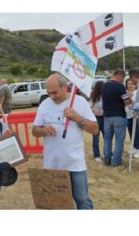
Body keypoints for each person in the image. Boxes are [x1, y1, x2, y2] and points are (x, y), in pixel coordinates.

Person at [32, 74, 99, 210]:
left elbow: (95, 130)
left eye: (55, 92)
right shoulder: (44, 105)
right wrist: (44, 130)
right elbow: (34, 130)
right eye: (48, 93)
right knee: (56, 204)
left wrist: (78, 118)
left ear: (65, 87)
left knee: (82, 201)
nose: (51, 96)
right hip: (52, 165)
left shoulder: (80, 102)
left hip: (75, 164)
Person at [101, 69, 131, 167]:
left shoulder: (104, 85)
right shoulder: (120, 86)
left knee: (107, 139)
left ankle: (107, 159)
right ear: (120, 76)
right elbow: (127, 101)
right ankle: (116, 162)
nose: (123, 80)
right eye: (123, 78)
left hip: (106, 116)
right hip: (119, 115)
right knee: (119, 140)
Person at [125, 79, 139, 158]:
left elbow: (138, 104)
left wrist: (131, 98)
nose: (130, 85)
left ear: (135, 85)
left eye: (131, 84)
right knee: (131, 132)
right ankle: (134, 147)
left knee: (137, 133)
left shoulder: (137, 93)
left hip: (136, 116)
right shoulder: (125, 93)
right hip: (127, 116)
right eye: (128, 84)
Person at [89, 81, 105, 162]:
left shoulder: (106, 95)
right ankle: (96, 155)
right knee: (96, 137)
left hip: (105, 118)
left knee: (107, 137)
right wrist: (94, 110)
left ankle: (107, 153)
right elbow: (89, 107)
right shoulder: (93, 97)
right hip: (96, 119)